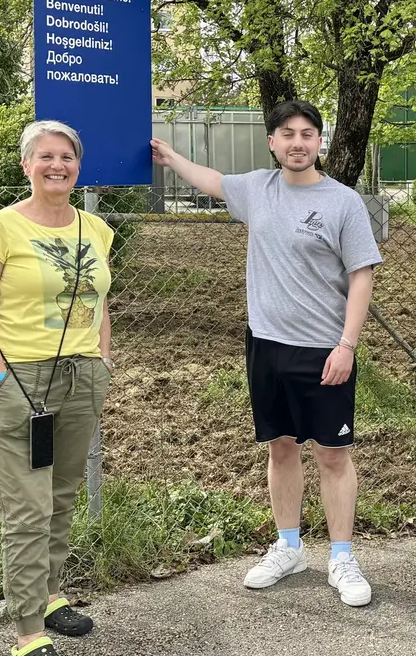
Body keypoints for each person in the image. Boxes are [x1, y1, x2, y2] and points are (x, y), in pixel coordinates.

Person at [149, 100, 382, 607]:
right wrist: (169, 156)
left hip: (325, 349)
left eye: (307, 134)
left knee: (332, 453)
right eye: (286, 134)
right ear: (273, 142)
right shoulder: (256, 188)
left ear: (319, 142)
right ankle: (289, 546)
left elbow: (361, 275)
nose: (297, 142)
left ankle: (341, 556)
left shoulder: (344, 202)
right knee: (280, 446)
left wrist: (347, 345)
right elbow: (209, 179)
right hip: (266, 345)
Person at [0, 120, 116, 656]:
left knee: (60, 495)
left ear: (78, 165)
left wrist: (101, 360)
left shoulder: (96, 229)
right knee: (27, 508)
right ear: (27, 165)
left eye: (67, 157)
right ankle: (28, 631)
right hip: (21, 378)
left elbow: (102, 303)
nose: (58, 165)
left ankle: (50, 593)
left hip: (81, 377)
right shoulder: (1, 227)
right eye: (46, 156)